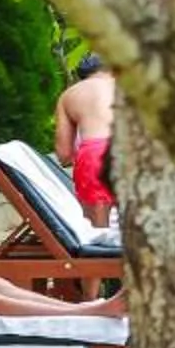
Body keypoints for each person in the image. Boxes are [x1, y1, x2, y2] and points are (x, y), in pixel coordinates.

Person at [54, 53, 120, 222]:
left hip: (93, 154)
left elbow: (64, 154)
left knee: (98, 229)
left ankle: (100, 238)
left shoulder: (69, 95)